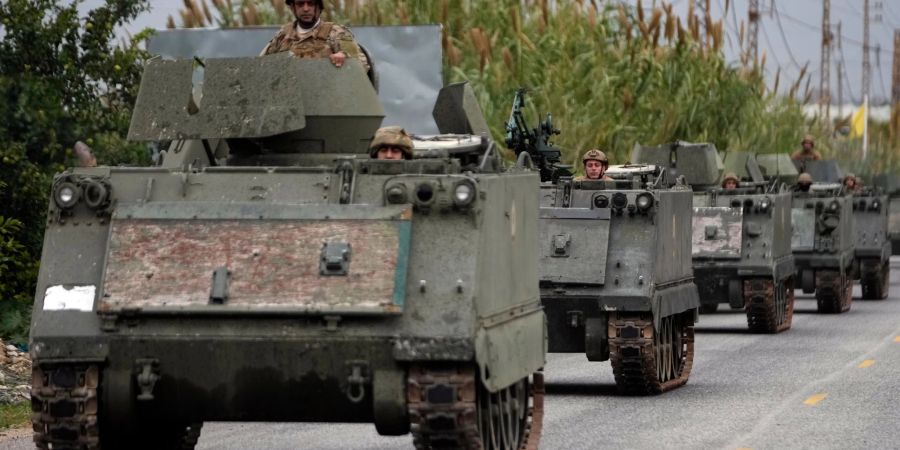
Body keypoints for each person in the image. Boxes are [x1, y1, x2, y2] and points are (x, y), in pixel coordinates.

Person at [261, 0, 369, 71]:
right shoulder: (283, 35)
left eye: (311, 3)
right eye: (300, 4)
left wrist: (345, 57)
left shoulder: (336, 33)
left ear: (319, 7)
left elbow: (362, 65)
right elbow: (261, 65)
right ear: (293, 8)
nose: (306, 9)